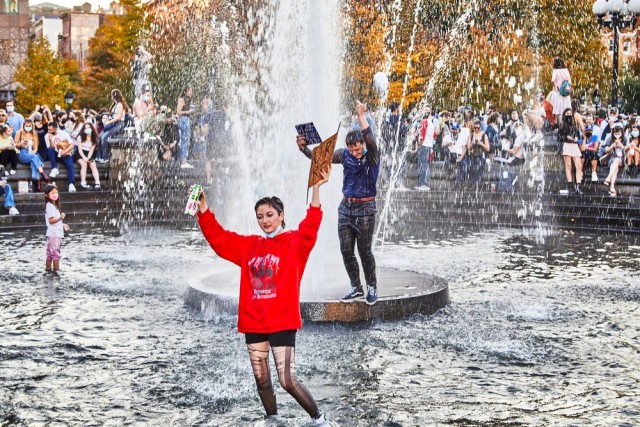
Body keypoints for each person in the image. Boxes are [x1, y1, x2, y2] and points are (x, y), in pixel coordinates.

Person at [196, 167, 335, 426]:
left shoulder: (296, 242)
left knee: (287, 380)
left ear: (281, 216)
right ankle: (273, 419)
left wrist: (316, 188)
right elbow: (219, 239)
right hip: (254, 322)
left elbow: (312, 222)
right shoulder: (249, 245)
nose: (265, 220)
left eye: (270, 215)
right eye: (260, 216)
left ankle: (319, 419)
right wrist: (203, 209)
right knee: (261, 379)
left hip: (282, 321)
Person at [297, 101, 380, 305]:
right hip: (346, 209)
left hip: (366, 209)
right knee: (345, 249)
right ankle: (356, 286)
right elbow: (320, 158)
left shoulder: (373, 156)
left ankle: (371, 286)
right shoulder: (344, 155)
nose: (355, 151)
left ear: (363, 144)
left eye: (358, 147)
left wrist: (361, 115)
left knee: (364, 251)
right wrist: (303, 148)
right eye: (351, 148)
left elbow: (369, 138)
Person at [14, 119, 50, 192]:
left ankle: (38, 184)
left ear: (32, 126)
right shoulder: (19, 132)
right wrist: (21, 144)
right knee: (35, 157)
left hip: (32, 152)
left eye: (29, 126)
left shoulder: (34, 134)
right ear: (23, 126)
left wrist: (33, 152)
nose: (28, 127)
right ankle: (42, 174)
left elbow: (36, 147)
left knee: (34, 160)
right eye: (26, 126)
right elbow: (15, 144)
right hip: (23, 152)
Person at [97, 89, 129, 163]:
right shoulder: (115, 104)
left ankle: (105, 157)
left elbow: (118, 117)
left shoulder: (120, 104)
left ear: (113, 96)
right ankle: (99, 156)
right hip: (113, 123)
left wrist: (108, 122)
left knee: (105, 137)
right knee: (100, 136)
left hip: (119, 123)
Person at [44, 184, 70, 275]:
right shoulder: (50, 205)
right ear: (47, 195)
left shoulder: (53, 205)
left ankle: (48, 270)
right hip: (54, 235)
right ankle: (56, 273)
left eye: (56, 192)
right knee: (55, 255)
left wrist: (62, 225)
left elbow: (53, 222)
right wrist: (61, 218)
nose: (55, 194)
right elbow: (51, 221)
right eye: (52, 193)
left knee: (50, 254)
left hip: (52, 233)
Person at [45, 122, 76, 192]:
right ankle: (55, 168)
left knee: (70, 165)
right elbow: (51, 148)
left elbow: (72, 145)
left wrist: (65, 152)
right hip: (56, 154)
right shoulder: (47, 136)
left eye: (50, 130)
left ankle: (71, 184)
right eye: (48, 130)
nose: (49, 131)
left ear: (55, 129)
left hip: (65, 153)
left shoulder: (63, 133)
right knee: (50, 149)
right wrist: (50, 139)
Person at [558, 108, 583, 195]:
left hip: (574, 145)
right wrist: (566, 137)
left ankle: (578, 186)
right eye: (567, 113)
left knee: (578, 166)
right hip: (567, 145)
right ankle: (570, 186)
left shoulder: (575, 125)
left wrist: (576, 138)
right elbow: (560, 138)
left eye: (570, 113)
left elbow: (578, 136)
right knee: (568, 166)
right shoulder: (562, 125)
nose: (569, 115)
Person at [417, 106, 440, 190]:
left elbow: (422, 135)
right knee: (425, 164)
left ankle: (423, 184)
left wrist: (419, 144)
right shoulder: (430, 122)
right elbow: (434, 134)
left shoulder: (424, 122)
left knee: (423, 164)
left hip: (424, 145)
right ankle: (423, 183)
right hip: (429, 145)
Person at [602, 123, 626, 196]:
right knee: (615, 168)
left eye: (619, 133)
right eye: (616, 133)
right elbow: (606, 150)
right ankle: (612, 187)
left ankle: (608, 178)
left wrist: (621, 146)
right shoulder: (610, 139)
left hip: (622, 159)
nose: (617, 135)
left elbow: (628, 150)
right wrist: (612, 146)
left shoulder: (625, 139)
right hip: (612, 158)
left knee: (617, 160)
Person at [76, 123, 101, 189]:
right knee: (84, 164)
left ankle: (97, 183)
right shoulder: (80, 137)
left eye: (89, 127)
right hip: (80, 153)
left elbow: (91, 150)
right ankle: (83, 183)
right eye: (86, 128)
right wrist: (84, 157)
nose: (87, 129)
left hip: (89, 153)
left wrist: (89, 158)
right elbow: (80, 150)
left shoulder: (94, 138)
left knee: (93, 165)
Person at [442, 121, 466, 187]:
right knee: (446, 156)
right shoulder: (447, 137)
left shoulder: (462, 137)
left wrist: (461, 156)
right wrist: (448, 143)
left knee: (463, 165)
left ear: (458, 129)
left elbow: (464, 148)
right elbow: (443, 145)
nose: (454, 131)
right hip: (450, 154)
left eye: (456, 129)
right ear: (450, 129)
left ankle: (458, 182)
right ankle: (450, 174)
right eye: (453, 129)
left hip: (459, 155)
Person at [467, 120, 490, 187]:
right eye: (475, 128)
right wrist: (472, 143)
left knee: (480, 165)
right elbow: (468, 147)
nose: (476, 129)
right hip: (472, 154)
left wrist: (480, 143)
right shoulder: (470, 136)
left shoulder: (484, 136)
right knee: (470, 166)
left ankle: (477, 182)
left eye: (478, 128)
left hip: (481, 154)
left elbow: (488, 148)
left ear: (481, 128)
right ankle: (472, 182)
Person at [176, 85, 195, 168]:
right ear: (186, 91)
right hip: (184, 120)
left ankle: (183, 160)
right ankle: (183, 161)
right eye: (190, 91)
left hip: (186, 120)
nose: (191, 92)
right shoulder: (181, 99)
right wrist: (188, 112)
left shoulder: (187, 99)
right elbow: (178, 111)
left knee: (185, 141)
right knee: (185, 140)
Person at [550, 57, 572, 126]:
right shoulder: (566, 70)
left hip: (559, 94)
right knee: (566, 110)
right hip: (566, 94)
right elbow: (570, 82)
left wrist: (557, 86)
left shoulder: (555, 71)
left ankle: (561, 127)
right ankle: (567, 126)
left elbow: (553, 80)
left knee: (559, 112)